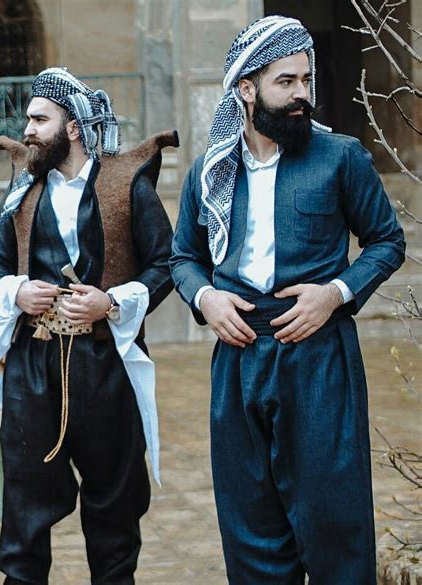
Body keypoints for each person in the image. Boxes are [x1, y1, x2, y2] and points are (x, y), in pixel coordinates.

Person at [170, 16, 405, 585]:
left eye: (307, 79)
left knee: (334, 525)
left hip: (319, 357)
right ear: (246, 90)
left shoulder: (341, 157)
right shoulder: (209, 171)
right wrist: (206, 299)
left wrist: (336, 293)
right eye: (286, 81)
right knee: (250, 527)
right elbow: (182, 257)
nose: (302, 93)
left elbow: (386, 242)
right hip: (239, 356)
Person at [0, 67, 178, 585]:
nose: (27, 129)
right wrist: (15, 291)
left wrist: (110, 303)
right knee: (23, 504)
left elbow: (167, 263)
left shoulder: (126, 183)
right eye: (27, 119)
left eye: (39, 119)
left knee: (114, 506)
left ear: (72, 127)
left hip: (104, 365)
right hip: (33, 364)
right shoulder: (21, 188)